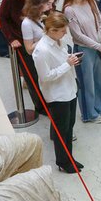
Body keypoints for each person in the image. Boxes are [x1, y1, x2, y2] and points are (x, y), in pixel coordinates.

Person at [32, 11, 83, 174]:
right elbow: (45, 76)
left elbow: (62, 61)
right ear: (52, 30)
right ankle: (63, 161)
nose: (65, 33)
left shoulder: (58, 41)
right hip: (57, 95)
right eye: (62, 30)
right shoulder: (42, 50)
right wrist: (67, 64)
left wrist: (70, 59)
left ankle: (69, 158)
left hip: (69, 89)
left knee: (69, 127)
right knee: (62, 130)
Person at [63, 0, 101, 124]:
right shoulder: (69, 9)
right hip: (85, 50)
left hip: (99, 47)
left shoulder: (91, 2)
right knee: (87, 83)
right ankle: (89, 114)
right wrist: (99, 46)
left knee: (99, 80)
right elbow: (78, 35)